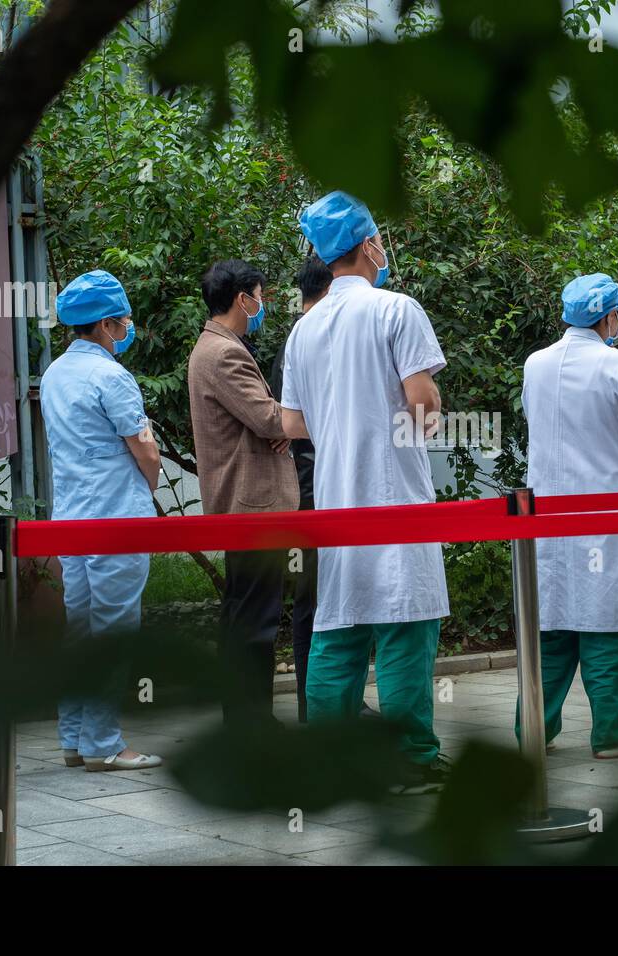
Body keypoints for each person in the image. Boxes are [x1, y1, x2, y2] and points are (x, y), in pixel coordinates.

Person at [280, 190, 451, 794]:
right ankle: (411, 761)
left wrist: (340, 420)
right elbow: (422, 404)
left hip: (335, 501)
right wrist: (423, 413)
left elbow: (293, 424)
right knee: (404, 626)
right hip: (394, 494)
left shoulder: (304, 329)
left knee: (339, 628)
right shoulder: (395, 309)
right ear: (370, 244)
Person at [522, 274, 618, 759]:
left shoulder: (536, 364)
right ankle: (613, 734)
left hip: (548, 516)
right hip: (610, 518)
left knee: (551, 629)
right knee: (612, 625)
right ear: (611, 317)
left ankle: (533, 731)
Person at [41, 270, 162, 772]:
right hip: (115, 517)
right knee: (113, 630)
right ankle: (104, 744)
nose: (128, 329)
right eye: (124, 321)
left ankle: (74, 736)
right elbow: (145, 451)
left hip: (72, 518)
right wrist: (146, 488)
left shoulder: (53, 374)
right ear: (108, 324)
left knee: (81, 629)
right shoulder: (112, 376)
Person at [189, 258, 299, 722]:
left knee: (243, 611)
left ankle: (242, 715)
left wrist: (279, 423)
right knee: (256, 618)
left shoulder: (214, 347)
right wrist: (292, 423)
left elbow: (265, 419)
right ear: (242, 299)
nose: (262, 305)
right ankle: (250, 720)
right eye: (260, 296)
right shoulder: (225, 353)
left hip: (243, 503)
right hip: (253, 504)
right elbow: (270, 418)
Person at [268, 254, 332, 722]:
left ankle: (331, 699)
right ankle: (314, 705)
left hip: (320, 485)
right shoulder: (304, 342)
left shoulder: (305, 338)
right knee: (313, 599)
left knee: (332, 595)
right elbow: (291, 424)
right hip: (311, 488)